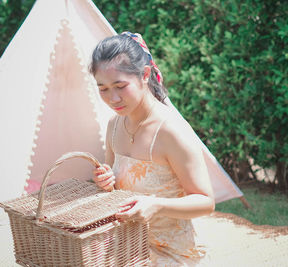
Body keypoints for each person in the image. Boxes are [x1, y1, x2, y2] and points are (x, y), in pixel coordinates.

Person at [90, 32, 215, 266]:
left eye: (120, 86)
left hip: (172, 254)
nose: (113, 98)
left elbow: (206, 202)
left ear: (144, 75)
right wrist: (106, 180)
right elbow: (114, 185)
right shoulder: (114, 125)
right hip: (127, 247)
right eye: (103, 89)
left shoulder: (171, 131)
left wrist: (156, 205)